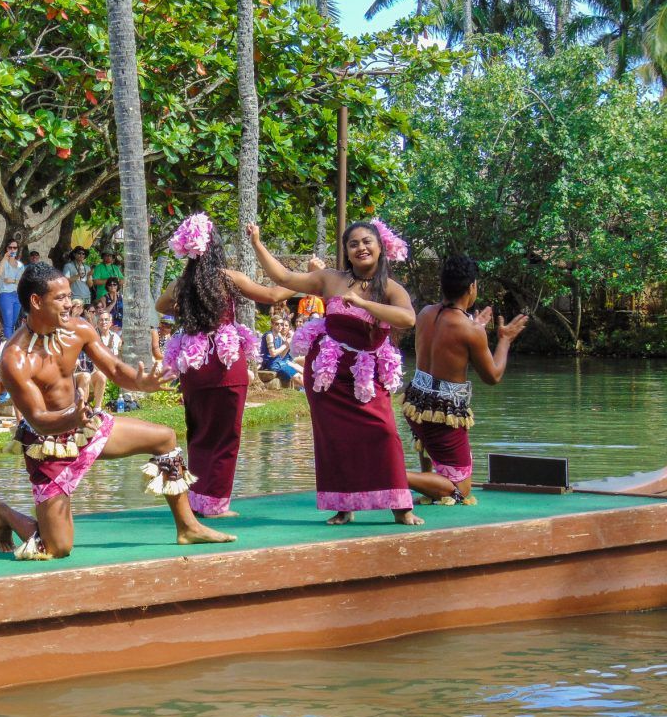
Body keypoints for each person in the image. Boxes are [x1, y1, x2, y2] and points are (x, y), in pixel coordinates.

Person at [0, 263, 236, 560]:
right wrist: (69, 418)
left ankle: (188, 527)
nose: (70, 304)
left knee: (164, 438)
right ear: (36, 301)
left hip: (84, 427)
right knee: (58, 548)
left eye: (70, 296)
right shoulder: (15, 359)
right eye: (61, 298)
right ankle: (6, 514)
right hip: (48, 445)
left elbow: (116, 369)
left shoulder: (78, 329)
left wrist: (140, 382)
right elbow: (39, 420)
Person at [247, 220, 424, 526]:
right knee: (335, 439)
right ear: (346, 251)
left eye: (367, 242)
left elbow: (407, 319)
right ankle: (343, 506)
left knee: (385, 433)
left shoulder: (391, 289)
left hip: (367, 372)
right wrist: (257, 244)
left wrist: (363, 303)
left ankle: (400, 505)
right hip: (328, 372)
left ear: (380, 247)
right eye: (353, 243)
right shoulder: (331, 279)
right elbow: (284, 277)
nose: (361, 248)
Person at [155, 213, 293, 518]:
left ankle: (198, 500)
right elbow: (272, 295)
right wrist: (301, 283)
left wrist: (183, 308)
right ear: (215, 246)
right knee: (226, 436)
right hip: (224, 362)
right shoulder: (227, 278)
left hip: (194, 365)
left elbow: (160, 306)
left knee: (200, 434)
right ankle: (215, 504)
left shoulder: (182, 283)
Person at [401, 255, 529, 505]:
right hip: (442, 412)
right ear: (472, 287)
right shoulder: (471, 330)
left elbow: (447, 339)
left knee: (429, 443)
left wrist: (474, 327)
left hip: (415, 402)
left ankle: (425, 485)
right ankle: (391, 475)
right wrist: (504, 340)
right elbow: (493, 376)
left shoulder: (426, 313)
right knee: (460, 489)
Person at [0, 239, 25, 338]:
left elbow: (21, 281)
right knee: (8, 324)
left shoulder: (21, 265)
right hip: (5, 295)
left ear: (17, 249)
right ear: (6, 248)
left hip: (17, 295)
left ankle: (8, 343)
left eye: (15, 247)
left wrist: (12, 281)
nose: (12, 250)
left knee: (13, 323)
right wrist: (5, 258)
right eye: (10, 247)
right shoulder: (4, 262)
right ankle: (7, 346)